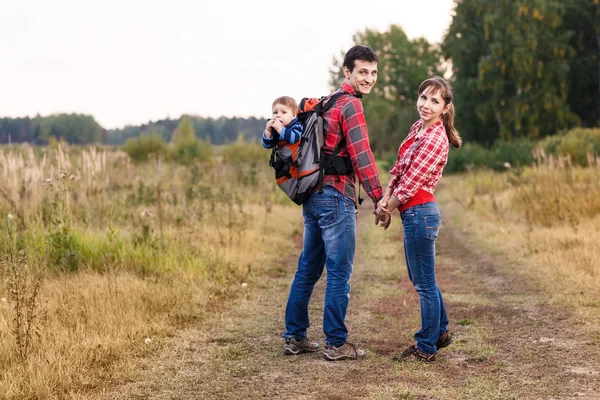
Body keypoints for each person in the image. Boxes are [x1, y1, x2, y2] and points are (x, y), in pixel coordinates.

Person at [282, 45, 383, 361]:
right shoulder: (351, 106)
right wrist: (379, 198)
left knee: (308, 268)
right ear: (348, 72)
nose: (369, 78)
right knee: (339, 272)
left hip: (311, 195)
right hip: (336, 197)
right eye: (362, 72)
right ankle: (336, 343)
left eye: (373, 72)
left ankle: (295, 337)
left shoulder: (324, 103)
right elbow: (362, 156)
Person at [374, 76, 462, 362]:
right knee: (421, 278)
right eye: (424, 97)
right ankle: (441, 331)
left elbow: (411, 183)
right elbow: (399, 168)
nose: (426, 104)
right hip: (411, 211)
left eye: (435, 101)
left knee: (423, 282)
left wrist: (387, 208)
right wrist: (386, 198)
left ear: (445, 108)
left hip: (421, 212)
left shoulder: (436, 137)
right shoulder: (417, 128)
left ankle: (426, 346)